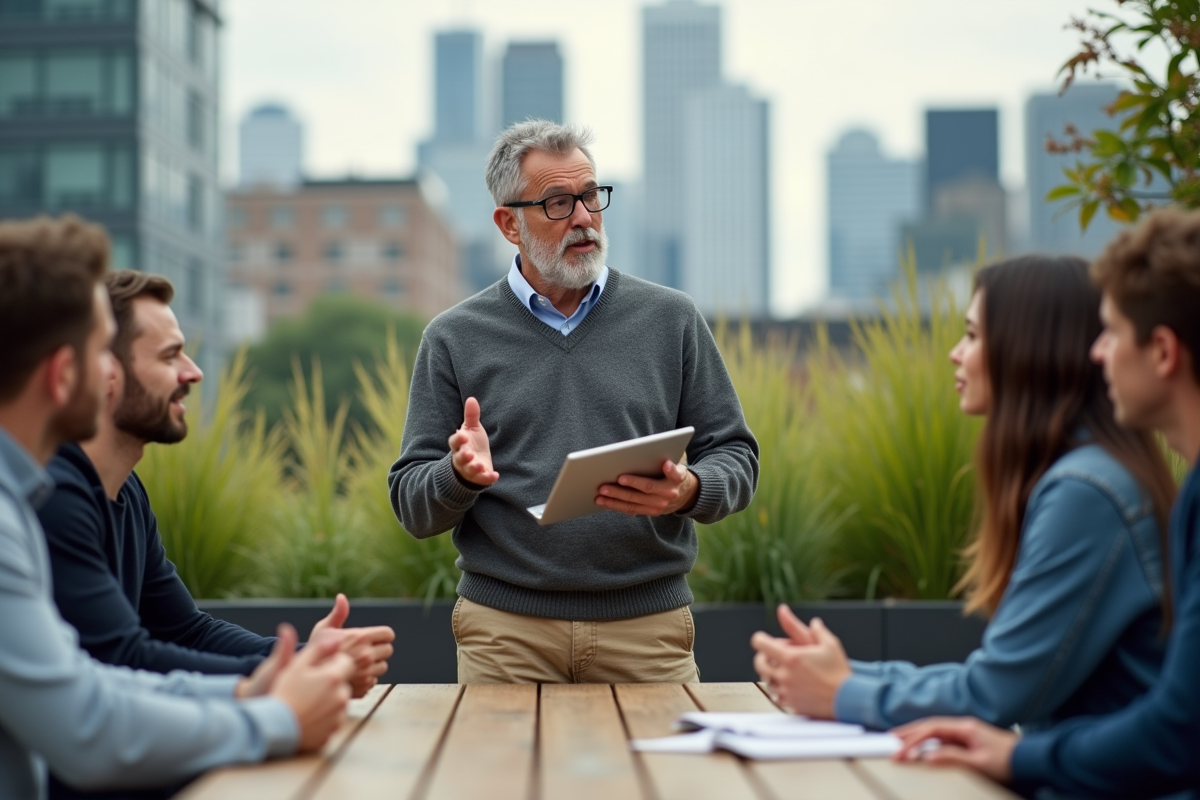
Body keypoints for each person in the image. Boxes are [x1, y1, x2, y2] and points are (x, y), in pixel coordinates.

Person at [0, 215, 357, 800]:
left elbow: (98, 677)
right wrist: (275, 717)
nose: (191, 373)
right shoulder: (27, 509)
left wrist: (264, 682)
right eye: (98, 354)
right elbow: (86, 723)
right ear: (66, 374)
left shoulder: (25, 497)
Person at [389, 119, 759, 684]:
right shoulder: (453, 337)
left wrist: (691, 489)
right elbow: (412, 504)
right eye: (558, 203)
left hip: (647, 632)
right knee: (501, 778)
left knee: (663, 778)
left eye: (590, 196)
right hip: (505, 637)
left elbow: (736, 456)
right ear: (508, 224)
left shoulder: (671, 319)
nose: (584, 217)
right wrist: (458, 474)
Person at [751, 255, 1177, 734]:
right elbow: (997, 677)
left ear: (1029, 349)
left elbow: (993, 695)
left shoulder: (1086, 493)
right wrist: (842, 675)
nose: (956, 353)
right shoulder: (1090, 475)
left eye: (973, 335)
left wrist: (843, 692)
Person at [893, 208, 1200, 798]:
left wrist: (1021, 756)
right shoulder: (1166, 491)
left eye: (1111, 333)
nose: (1097, 353)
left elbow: (1175, 731)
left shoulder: (1090, 490)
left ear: (1161, 352)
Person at [36, 270, 393, 690]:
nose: (194, 373)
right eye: (170, 357)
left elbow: (186, 631)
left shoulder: (126, 491)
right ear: (106, 372)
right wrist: (285, 676)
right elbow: (121, 659)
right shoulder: (53, 495)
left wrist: (304, 658)